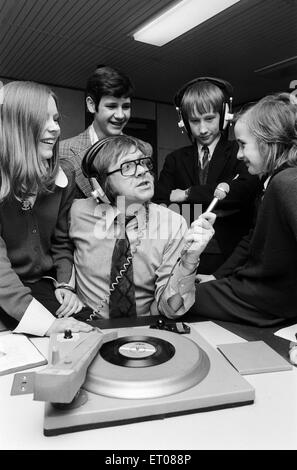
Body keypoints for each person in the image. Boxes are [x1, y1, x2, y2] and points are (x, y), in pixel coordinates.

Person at [69, 135, 215, 320]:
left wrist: (189, 261)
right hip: (86, 327)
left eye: (144, 163)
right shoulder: (75, 212)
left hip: (146, 331)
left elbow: (170, 309)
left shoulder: (173, 223)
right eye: (127, 166)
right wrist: (64, 287)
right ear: (100, 184)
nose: (142, 171)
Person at [183, 92, 297, 327]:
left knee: (178, 299)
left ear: (269, 142)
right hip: (259, 291)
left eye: (243, 145)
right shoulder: (272, 181)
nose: (239, 155)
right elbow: (252, 239)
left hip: (266, 299)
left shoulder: (287, 182)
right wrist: (216, 277)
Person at [0, 81, 93, 336]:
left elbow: (62, 243)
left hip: (40, 285)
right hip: (5, 288)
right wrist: (48, 325)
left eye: (56, 118)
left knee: (86, 329)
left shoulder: (66, 176)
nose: (55, 128)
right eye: (44, 119)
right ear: (14, 124)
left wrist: (65, 284)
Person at [154, 77, 262, 274]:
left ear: (224, 115)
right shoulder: (174, 159)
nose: (202, 129)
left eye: (209, 119)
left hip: (231, 254)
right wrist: (219, 205)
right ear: (184, 122)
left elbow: (242, 192)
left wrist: (187, 194)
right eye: (195, 121)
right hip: (183, 250)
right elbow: (162, 200)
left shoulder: (240, 151)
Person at [59, 65, 136, 198]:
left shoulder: (141, 150)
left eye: (126, 107)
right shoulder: (62, 152)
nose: (120, 115)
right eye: (112, 106)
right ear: (91, 105)